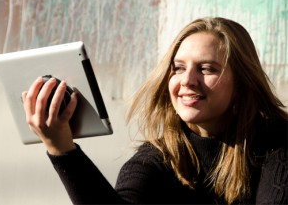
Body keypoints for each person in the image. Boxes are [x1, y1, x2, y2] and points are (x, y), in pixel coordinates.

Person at [22, 17, 287, 204]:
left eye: (206, 68)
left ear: (241, 83)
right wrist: (61, 149)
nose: (187, 81)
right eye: (179, 68)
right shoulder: (156, 159)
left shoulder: (277, 143)